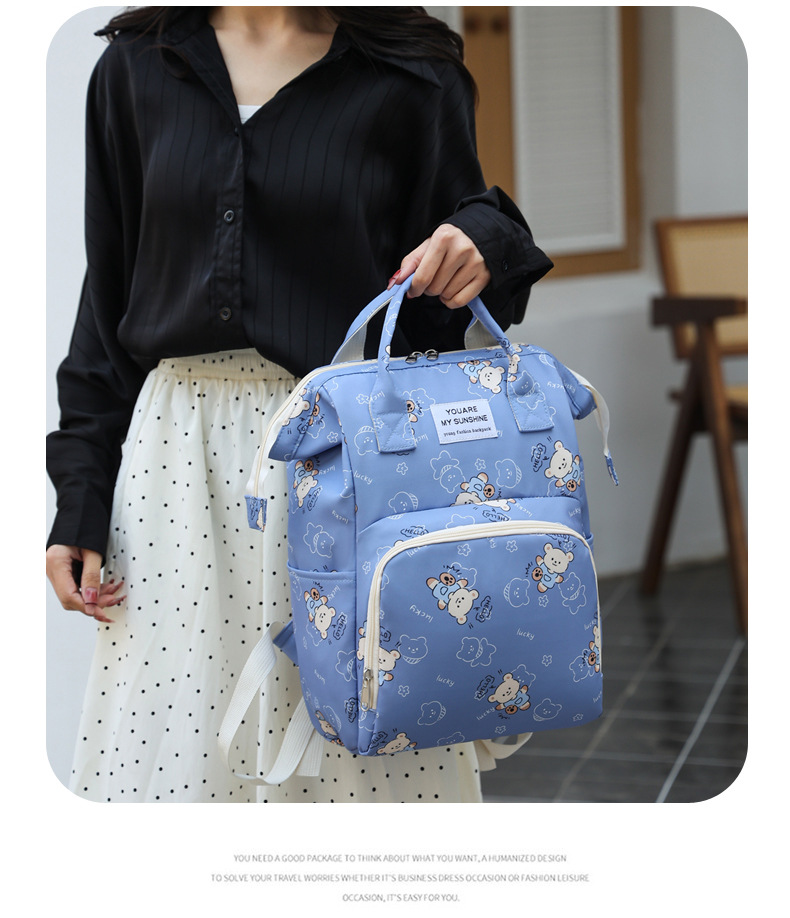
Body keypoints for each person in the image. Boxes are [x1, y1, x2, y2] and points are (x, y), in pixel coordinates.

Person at [46, 5, 553, 803]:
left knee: (357, 761)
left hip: (342, 456)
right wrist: (79, 502)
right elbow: (106, 305)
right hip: (176, 465)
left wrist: (482, 240)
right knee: (176, 755)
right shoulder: (137, 66)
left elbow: (439, 304)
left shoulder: (413, 74)